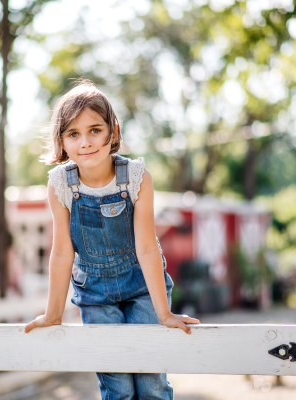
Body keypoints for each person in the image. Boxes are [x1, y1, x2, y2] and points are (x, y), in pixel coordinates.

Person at [24, 79, 200, 400]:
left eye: (95, 130)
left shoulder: (135, 177)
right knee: (117, 386)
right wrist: (53, 313)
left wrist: (164, 314)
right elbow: (62, 252)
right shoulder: (60, 184)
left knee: (150, 384)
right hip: (95, 294)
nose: (86, 142)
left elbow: (147, 248)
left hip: (141, 286)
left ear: (112, 131)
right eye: (73, 134)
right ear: (62, 141)